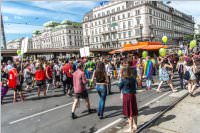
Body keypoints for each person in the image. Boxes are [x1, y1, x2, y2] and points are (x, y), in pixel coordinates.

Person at [119, 60, 138, 133]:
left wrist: (121, 78)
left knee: (129, 112)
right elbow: (135, 85)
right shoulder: (133, 78)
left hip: (127, 96)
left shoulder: (124, 79)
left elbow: (119, 86)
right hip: (133, 95)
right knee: (134, 111)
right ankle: (135, 125)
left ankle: (131, 128)